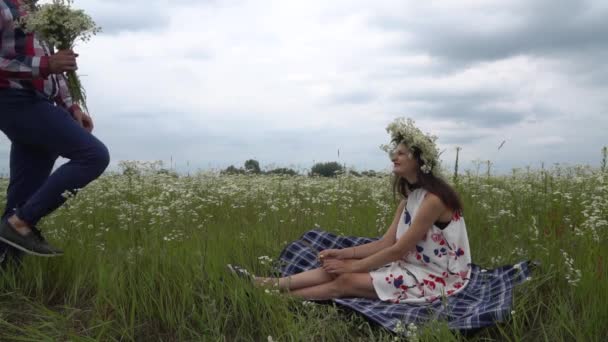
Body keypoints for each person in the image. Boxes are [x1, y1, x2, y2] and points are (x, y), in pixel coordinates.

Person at [234, 118, 471, 303]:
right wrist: (342, 254)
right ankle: (265, 284)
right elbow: (385, 243)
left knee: (345, 278)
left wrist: (351, 266)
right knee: (335, 268)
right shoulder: (408, 200)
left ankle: (277, 300)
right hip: (409, 267)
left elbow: (398, 250)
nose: (393, 157)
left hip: (437, 277)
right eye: (394, 152)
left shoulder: (434, 200)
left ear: (419, 160)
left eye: (400, 153)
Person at [0, 0, 110, 261]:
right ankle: (21, 223)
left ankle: (6, 272)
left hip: (39, 102)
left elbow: (55, 71)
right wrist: (44, 65)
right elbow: (47, 65)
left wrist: (71, 107)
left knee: (21, 196)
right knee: (93, 155)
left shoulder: (40, 14)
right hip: (13, 99)